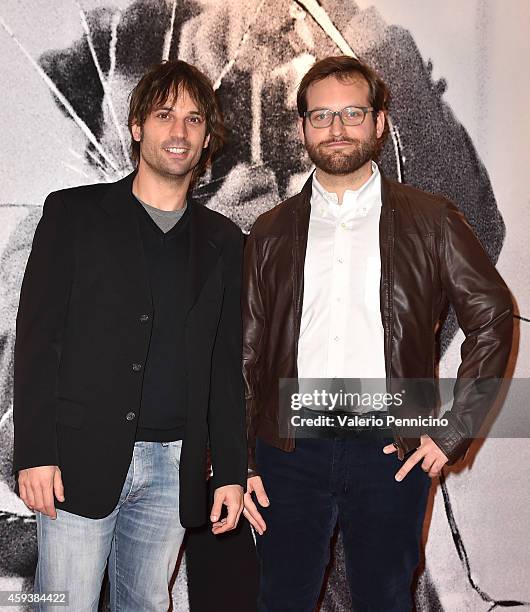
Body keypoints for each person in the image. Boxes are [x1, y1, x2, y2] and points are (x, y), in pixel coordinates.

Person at [241, 55, 513, 611]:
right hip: (288, 450)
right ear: (302, 128)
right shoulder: (270, 230)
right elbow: (244, 353)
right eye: (321, 116)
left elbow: (494, 316)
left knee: (386, 600)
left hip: (393, 446)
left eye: (352, 113)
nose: (337, 129)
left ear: (379, 121)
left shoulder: (431, 219)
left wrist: (453, 429)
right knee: (280, 600)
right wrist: (238, 458)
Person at [12, 59, 246, 612]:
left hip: (174, 468)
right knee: (62, 605)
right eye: (165, 115)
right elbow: (37, 342)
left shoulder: (223, 240)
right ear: (138, 125)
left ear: (207, 138)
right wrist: (35, 452)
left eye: (193, 119)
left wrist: (232, 471)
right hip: (76, 460)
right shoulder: (73, 213)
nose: (179, 131)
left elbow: (224, 366)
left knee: (145, 604)